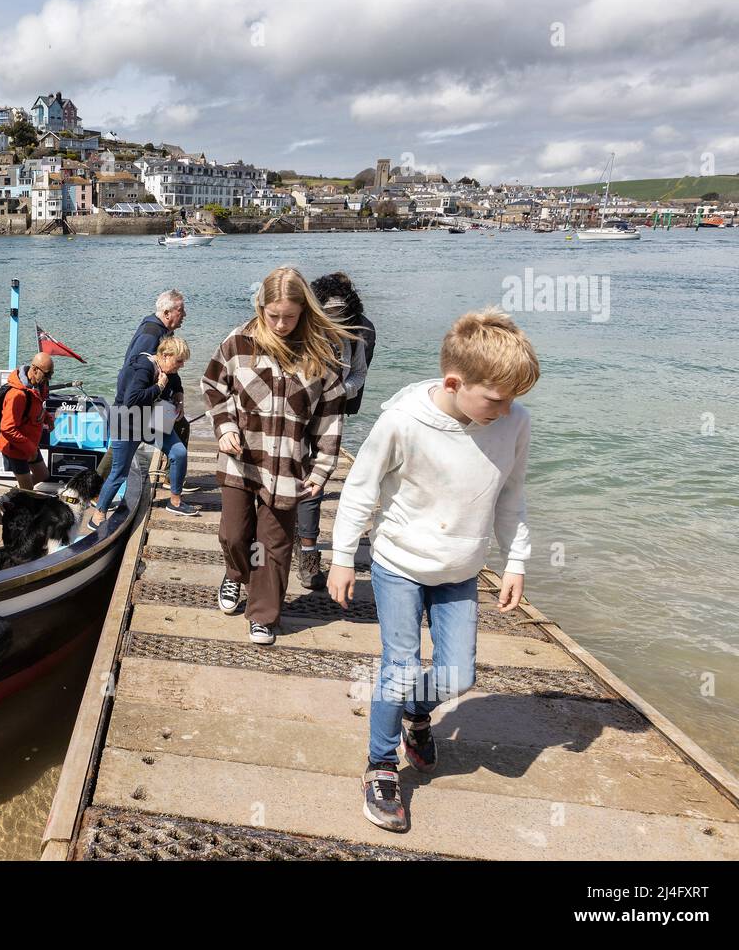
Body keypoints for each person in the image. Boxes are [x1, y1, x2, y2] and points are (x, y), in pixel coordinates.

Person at [326, 308, 538, 834]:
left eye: (513, 399)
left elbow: (511, 496)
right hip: (399, 563)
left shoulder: (514, 423)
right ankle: (379, 766)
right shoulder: (403, 421)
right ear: (454, 382)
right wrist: (339, 555)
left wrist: (516, 561)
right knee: (398, 666)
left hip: (461, 569)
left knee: (459, 675)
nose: (505, 408)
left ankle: (415, 716)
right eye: (495, 398)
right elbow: (361, 487)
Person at [202, 267, 351, 645]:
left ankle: (264, 614)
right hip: (240, 458)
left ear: (304, 310)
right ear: (261, 306)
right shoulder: (238, 341)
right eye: (274, 315)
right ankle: (236, 574)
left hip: (288, 467)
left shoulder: (323, 354)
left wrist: (321, 470)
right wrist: (225, 427)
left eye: (290, 315)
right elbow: (213, 386)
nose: (281, 324)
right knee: (235, 535)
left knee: (273, 544)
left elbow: (330, 418)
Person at [295, 272, 377, 591]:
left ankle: (307, 555)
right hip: (293, 416)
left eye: (341, 318)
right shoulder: (301, 330)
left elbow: (359, 373)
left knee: (314, 484)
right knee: (291, 477)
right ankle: (289, 538)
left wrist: (341, 392)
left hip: (331, 416)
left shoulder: (358, 332)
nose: (335, 324)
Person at [89, 335, 197, 527]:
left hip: (151, 423)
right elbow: (132, 399)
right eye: (179, 361)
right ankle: (98, 514)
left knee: (179, 453)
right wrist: (159, 386)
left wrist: (179, 397)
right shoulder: (143, 369)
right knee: (119, 473)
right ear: (165, 355)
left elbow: (176, 381)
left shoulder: (168, 368)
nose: (181, 365)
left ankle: (175, 501)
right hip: (127, 424)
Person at [0, 352, 55, 491]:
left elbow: (33, 407)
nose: (49, 378)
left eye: (51, 374)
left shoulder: (34, 387)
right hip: (15, 448)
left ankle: (9, 497)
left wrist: (46, 416)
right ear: (34, 370)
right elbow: (7, 428)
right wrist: (30, 448)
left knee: (42, 474)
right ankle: (11, 503)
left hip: (29, 445)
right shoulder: (17, 394)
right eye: (47, 374)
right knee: (27, 491)